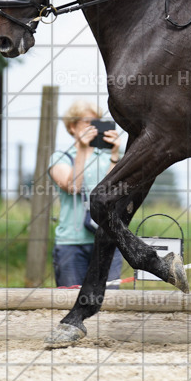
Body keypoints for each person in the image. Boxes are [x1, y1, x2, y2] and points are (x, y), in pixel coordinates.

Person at [47, 100, 123, 288]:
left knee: (109, 303)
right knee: (70, 303)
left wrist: (115, 155)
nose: (94, 127)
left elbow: (113, 192)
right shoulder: (60, 157)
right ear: (73, 127)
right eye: (88, 121)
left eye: (97, 122)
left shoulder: (110, 158)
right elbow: (73, 186)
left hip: (107, 241)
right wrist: (81, 149)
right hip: (71, 244)